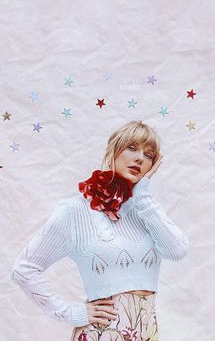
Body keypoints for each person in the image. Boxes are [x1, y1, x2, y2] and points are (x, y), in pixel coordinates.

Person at [11, 120, 189, 340]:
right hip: (101, 333)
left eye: (149, 155)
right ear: (113, 150)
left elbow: (177, 250)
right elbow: (24, 269)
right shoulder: (75, 209)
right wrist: (70, 313)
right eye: (132, 148)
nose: (140, 158)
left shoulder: (146, 210)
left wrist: (142, 196)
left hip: (147, 333)